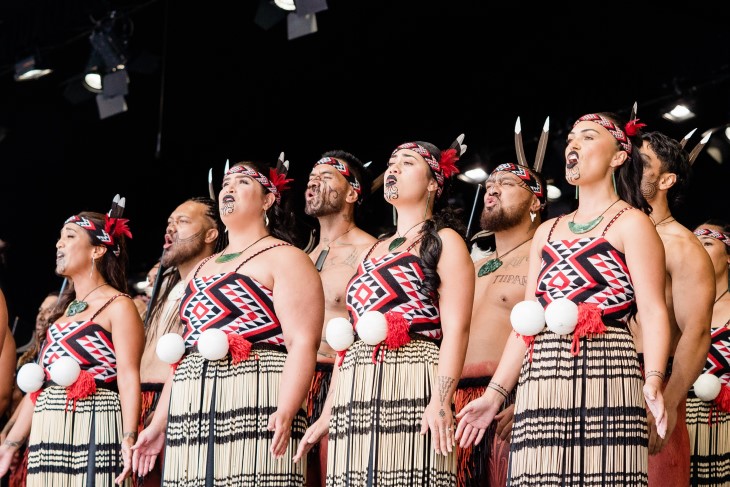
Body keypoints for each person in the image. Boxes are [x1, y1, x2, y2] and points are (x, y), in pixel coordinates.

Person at [456, 111, 671, 486]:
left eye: (588, 137)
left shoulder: (631, 223)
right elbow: (526, 324)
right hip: (543, 373)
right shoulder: (548, 231)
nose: (573, 144)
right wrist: (494, 395)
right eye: (571, 138)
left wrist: (652, 378)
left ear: (618, 156)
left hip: (608, 365)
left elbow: (652, 311)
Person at [131, 159, 324, 486]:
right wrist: (159, 424)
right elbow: (183, 361)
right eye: (225, 185)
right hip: (193, 405)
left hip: (257, 398)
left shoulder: (286, 257)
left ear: (267, 199)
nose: (229, 189)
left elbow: (302, 342)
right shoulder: (200, 268)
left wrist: (288, 408)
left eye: (242, 183)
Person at [297, 135, 474, 485]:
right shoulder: (373, 249)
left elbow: (457, 329)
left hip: (412, 375)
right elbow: (348, 340)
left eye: (408, 163)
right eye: (392, 163)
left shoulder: (444, 240)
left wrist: (441, 400)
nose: (394, 168)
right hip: (357, 382)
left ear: (434, 183)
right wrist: (330, 409)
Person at [0, 206, 144, 486]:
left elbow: (128, 375)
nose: (59, 243)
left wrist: (129, 436)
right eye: (59, 237)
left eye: (69, 236)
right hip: (49, 428)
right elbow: (39, 388)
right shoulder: (60, 316)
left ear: (97, 250)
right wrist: (11, 444)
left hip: (94, 423)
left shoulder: (119, 305)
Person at [455, 158, 548, 487]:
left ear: (536, 200)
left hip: (507, 402)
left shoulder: (545, 256)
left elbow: (551, 334)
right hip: (456, 403)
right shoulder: (472, 262)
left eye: (508, 183)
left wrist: (527, 398)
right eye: (491, 184)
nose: (493, 188)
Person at [632, 130, 714, 486]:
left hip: (652, 388)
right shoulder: (608, 234)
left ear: (666, 180)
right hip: (592, 381)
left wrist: (667, 402)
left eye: (643, 164)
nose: (631, 169)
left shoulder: (681, 245)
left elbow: (696, 333)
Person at [298, 150, 376, 487]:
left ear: (352, 192)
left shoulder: (371, 252)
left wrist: (336, 399)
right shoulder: (298, 257)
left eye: (327, 175)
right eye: (313, 175)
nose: (314, 180)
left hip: (340, 379)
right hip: (290, 383)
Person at [133, 196, 223, 487]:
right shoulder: (163, 286)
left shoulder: (218, 285)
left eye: (182, 222)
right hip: (141, 402)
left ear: (211, 234)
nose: (170, 229)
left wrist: (159, 417)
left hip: (178, 400)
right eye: (169, 223)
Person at [687, 219, 730, 485]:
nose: (698, 250)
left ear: (728, 258)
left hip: (724, 422)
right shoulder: (678, 304)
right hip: (683, 421)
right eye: (695, 244)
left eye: (708, 243)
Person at [0, 291, 57, 487]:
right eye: (40, 310)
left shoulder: (53, 359)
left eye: (50, 310)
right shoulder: (31, 354)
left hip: (35, 438)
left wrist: (10, 436)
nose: (41, 315)